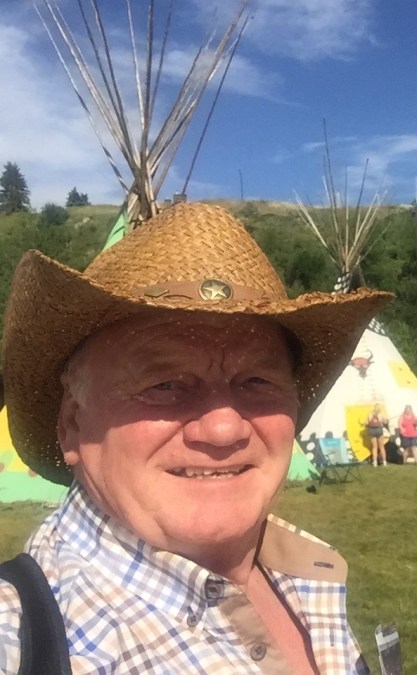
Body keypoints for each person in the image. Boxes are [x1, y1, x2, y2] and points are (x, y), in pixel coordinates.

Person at [0, 202, 392, 673]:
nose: (224, 429)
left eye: (257, 381)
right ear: (73, 423)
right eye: (165, 385)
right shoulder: (21, 636)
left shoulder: (311, 575)